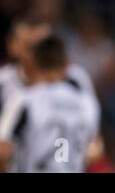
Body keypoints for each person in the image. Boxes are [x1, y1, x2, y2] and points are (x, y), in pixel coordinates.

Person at [0, 35, 99, 172]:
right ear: (66, 65)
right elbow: (95, 149)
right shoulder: (86, 103)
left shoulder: (24, 100)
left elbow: (3, 151)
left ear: (31, 65)